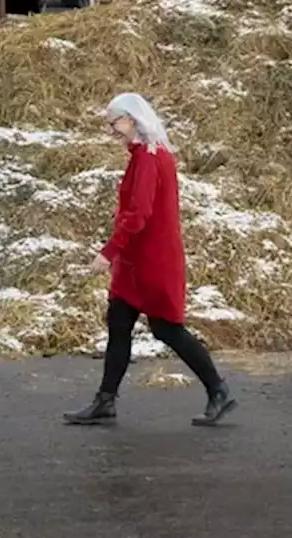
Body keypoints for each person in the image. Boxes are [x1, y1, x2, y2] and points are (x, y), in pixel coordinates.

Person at [63, 92, 237, 427]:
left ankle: (218, 389)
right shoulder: (154, 154)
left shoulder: (147, 158)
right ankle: (105, 400)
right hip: (141, 259)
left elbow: (138, 214)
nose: (113, 130)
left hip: (151, 260)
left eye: (115, 122)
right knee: (119, 321)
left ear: (131, 119)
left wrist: (108, 252)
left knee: (166, 328)